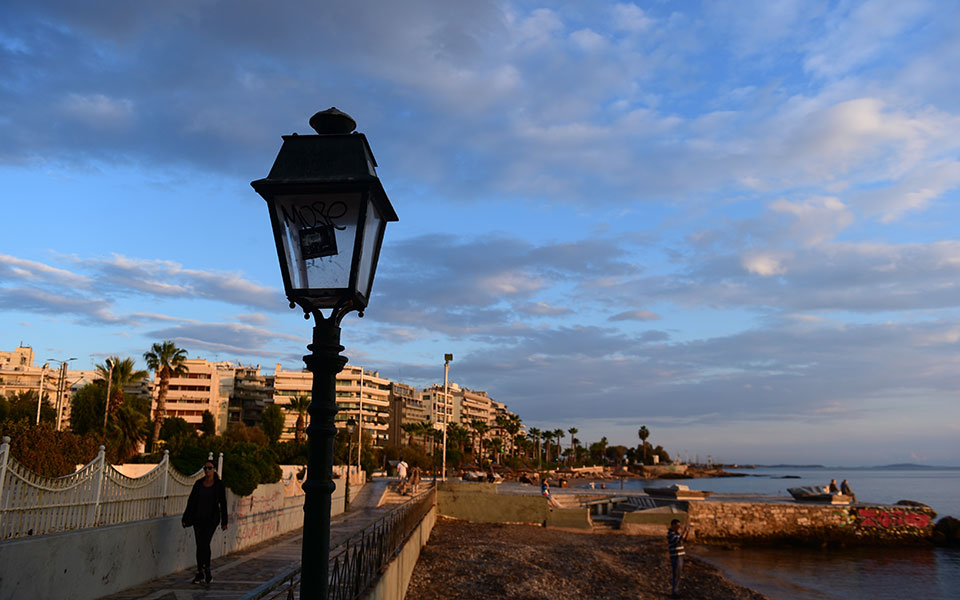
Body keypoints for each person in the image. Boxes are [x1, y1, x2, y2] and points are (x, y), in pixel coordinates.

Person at [182, 460, 228, 585]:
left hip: (211, 520)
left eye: (209, 468)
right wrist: (185, 517)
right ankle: (200, 572)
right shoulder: (198, 484)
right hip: (198, 519)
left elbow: (223, 503)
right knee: (199, 545)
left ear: (214, 469)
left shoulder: (218, 485)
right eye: (205, 468)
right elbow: (191, 502)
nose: (207, 470)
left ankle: (207, 570)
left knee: (205, 543)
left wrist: (225, 521)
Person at [667, 518, 691, 598]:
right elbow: (678, 540)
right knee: (676, 575)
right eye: (677, 525)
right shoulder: (670, 534)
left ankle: (676, 591)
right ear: (673, 525)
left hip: (680, 556)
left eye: (679, 526)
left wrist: (687, 531)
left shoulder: (676, 533)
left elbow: (684, 539)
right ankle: (674, 592)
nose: (678, 527)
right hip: (676, 557)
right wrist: (684, 531)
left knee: (678, 575)